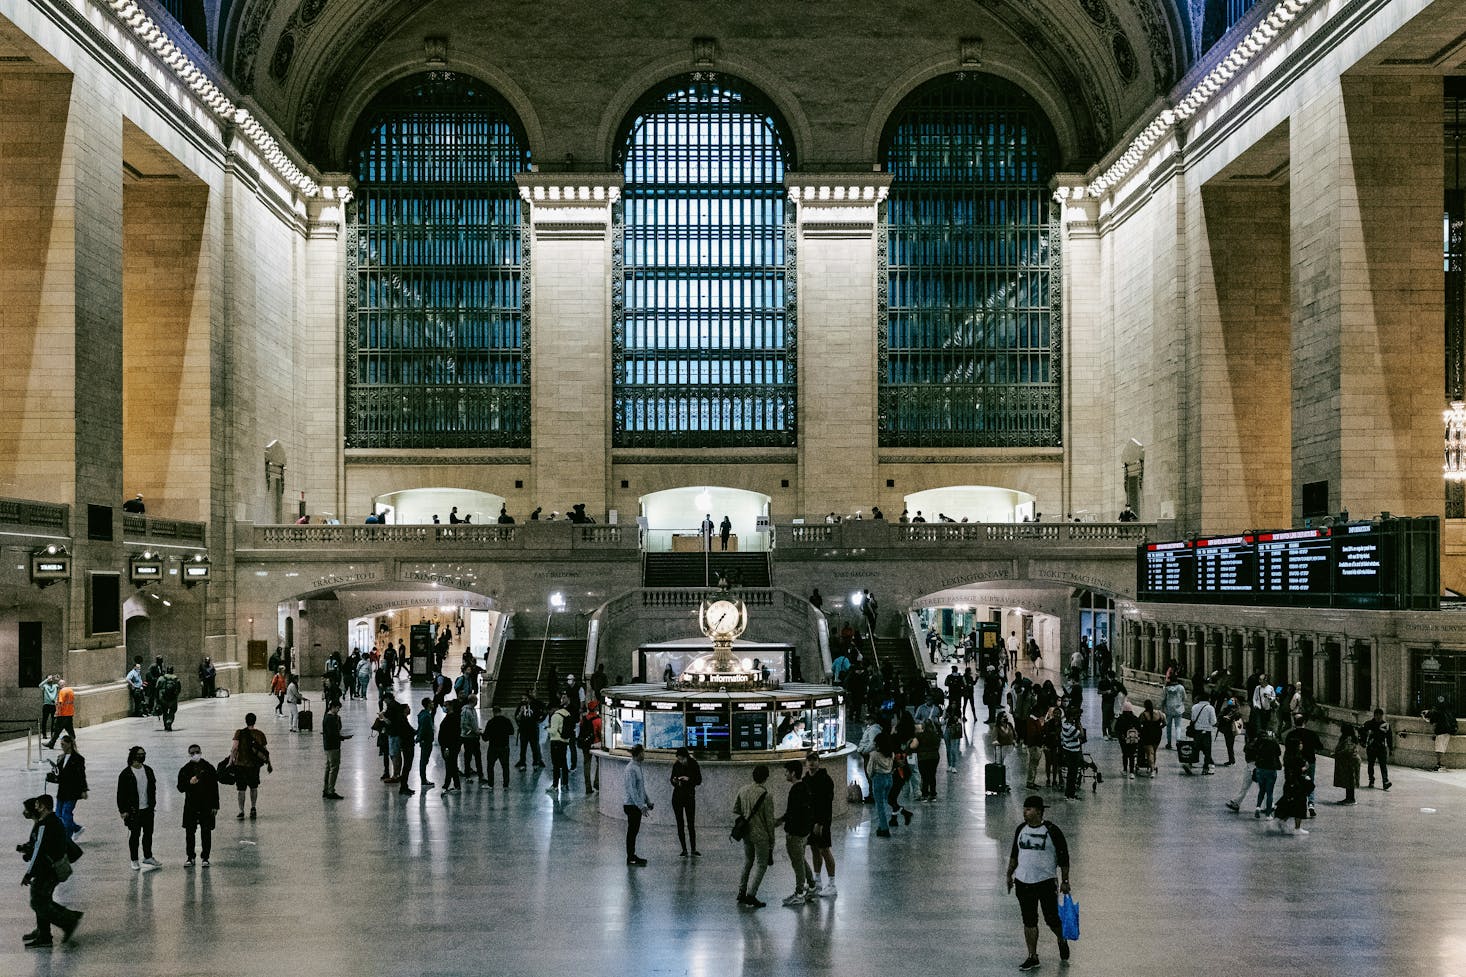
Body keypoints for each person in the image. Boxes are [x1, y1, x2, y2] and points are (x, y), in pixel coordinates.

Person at [1006, 794, 1072, 972]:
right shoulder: (1021, 829)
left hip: (1045, 882)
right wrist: (1009, 874)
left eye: (1028, 809)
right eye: (1024, 809)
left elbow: (1064, 857)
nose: (1024, 812)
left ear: (1039, 811)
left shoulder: (1052, 831)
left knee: (1051, 918)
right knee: (1029, 920)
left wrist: (1065, 880)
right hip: (1023, 882)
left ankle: (1061, 938)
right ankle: (1032, 956)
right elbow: (1014, 854)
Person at [19, 794, 83, 948]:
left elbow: (38, 851)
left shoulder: (45, 825)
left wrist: (29, 874)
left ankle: (67, 921)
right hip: (51, 867)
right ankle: (44, 931)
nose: (35, 807)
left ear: (43, 807)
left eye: (37, 805)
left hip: (48, 870)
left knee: (39, 901)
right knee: (41, 898)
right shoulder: (52, 821)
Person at [734, 764, 776, 907]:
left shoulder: (743, 790)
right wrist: (772, 839)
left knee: (748, 861)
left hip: (747, 833)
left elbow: (736, 809)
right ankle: (751, 894)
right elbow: (769, 821)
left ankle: (741, 891)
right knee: (761, 864)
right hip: (761, 834)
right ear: (766, 778)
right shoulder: (766, 795)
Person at [775, 759, 814, 906]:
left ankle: (799, 893)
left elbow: (792, 812)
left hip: (795, 833)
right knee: (801, 859)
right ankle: (812, 885)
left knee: (797, 862)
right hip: (804, 831)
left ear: (793, 773)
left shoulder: (795, 790)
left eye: (786, 772)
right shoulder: (804, 787)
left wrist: (780, 821)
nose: (785, 774)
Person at [117, 745, 160, 870]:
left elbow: (153, 788)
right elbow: (121, 794)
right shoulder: (126, 774)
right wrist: (123, 810)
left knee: (148, 834)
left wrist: (153, 804)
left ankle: (148, 856)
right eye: (140, 754)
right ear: (133, 756)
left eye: (144, 753)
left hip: (148, 809)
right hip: (133, 811)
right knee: (135, 835)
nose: (142, 756)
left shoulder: (148, 770)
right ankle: (134, 859)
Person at [177, 744, 219, 866]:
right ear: (189, 754)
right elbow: (180, 787)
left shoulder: (209, 768)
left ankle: (205, 857)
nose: (195, 754)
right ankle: (190, 857)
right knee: (190, 832)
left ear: (201, 752)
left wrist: (215, 805)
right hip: (191, 805)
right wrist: (189, 783)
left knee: (206, 831)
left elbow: (214, 788)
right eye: (192, 753)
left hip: (206, 805)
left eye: (197, 752)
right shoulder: (185, 769)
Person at [802, 751, 837, 897]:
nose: (811, 763)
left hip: (822, 821)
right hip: (810, 821)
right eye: (809, 760)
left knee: (824, 850)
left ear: (819, 762)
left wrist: (821, 823)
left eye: (814, 760)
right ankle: (817, 880)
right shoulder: (806, 780)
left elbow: (826, 804)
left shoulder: (825, 780)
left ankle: (832, 884)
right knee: (815, 849)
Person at [230, 713, 272, 819]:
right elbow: (265, 751)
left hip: (241, 765)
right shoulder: (260, 734)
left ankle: (241, 811)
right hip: (254, 766)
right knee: (254, 787)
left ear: (246, 721)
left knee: (241, 789)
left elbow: (234, 748)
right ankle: (253, 808)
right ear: (255, 721)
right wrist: (269, 764)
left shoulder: (239, 732)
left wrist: (231, 762)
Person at [53, 736, 87, 839]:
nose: (61, 746)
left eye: (63, 744)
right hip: (62, 790)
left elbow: (81, 775)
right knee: (58, 814)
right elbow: (58, 774)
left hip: (72, 790)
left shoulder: (78, 759)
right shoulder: (60, 757)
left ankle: (67, 838)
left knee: (66, 814)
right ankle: (76, 828)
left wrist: (84, 790)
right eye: (61, 744)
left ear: (69, 744)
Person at [622, 744, 652, 866]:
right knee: (632, 832)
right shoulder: (631, 769)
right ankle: (630, 857)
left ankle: (632, 855)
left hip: (636, 804)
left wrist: (647, 801)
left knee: (634, 831)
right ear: (638, 754)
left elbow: (641, 788)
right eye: (643, 753)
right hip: (631, 805)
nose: (644, 755)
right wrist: (641, 806)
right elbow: (632, 790)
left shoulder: (638, 767)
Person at [670, 746, 702, 856]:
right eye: (679, 759)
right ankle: (684, 849)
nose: (680, 761)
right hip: (677, 797)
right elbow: (671, 778)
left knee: (691, 823)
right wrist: (675, 781)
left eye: (681, 759)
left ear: (686, 757)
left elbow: (699, 780)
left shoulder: (693, 764)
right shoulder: (676, 765)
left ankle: (693, 848)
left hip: (689, 796)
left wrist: (688, 779)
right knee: (680, 823)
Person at [1251, 728, 1283, 819]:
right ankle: (1268, 815)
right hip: (1271, 769)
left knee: (1261, 790)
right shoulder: (1274, 742)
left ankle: (1258, 807)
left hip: (1260, 769)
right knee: (1269, 793)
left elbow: (1254, 751)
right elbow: (1279, 753)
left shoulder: (1259, 742)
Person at [322, 701, 350, 800]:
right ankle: (330, 791)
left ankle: (326, 789)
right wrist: (342, 737)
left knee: (328, 767)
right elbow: (333, 733)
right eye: (337, 708)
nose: (338, 710)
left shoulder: (328, 717)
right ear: (333, 707)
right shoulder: (330, 719)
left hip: (328, 746)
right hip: (333, 746)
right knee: (334, 768)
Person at [483, 705, 514, 788]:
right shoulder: (506, 721)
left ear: (493, 712)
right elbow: (512, 732)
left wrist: (481, 734)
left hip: (493, 747)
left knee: (490, 766)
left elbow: (485, 738)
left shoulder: (491, 722)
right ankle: (506, 785)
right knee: (505, 766)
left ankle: (490, 784)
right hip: (504, 747)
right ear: (501, 711)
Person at [1362, 708, 1394, 789]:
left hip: (1381, 748)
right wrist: (1363, 742)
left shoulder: (1386, 725)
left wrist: (1391, 749)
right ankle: (1371, 780)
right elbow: (1362, 732)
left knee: (1383, 765)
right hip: (1371, 747)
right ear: (1374, 715)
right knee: (1371, 764)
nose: (1379, 718)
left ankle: (1385, 781)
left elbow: (1389, 738)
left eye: (1380, 716)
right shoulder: (1368, 724)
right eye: (1377, 716)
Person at [1424, 698, 1456, 771]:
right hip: (1448, 731)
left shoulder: (1437, 711)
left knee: (1439, 748)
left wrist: (1425, 715)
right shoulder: (1448, 711)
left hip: (1441, 731)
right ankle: (1441, 764)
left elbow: (1431, 720)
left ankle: (1439, 764)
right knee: (1443, 748)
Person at [547, 697, 572, 791]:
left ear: (553, 708)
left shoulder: (555, 716)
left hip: (556, 742)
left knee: (556, 765)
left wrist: (547, 729)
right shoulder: (567, 713)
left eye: (549, 711)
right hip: (564, 741)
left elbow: (553, 731)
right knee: (564, 764)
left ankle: (554, 786)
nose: (549, 713)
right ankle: (565, 784)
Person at [1188, 694, 1217, 774]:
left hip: (1197, 731)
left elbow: (1193, 719)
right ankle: (1205, 768)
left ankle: (1190, 763)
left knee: (1196, 748)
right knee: (1207, 750)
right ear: (1208, 699)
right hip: (1207, 732)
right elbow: (1213, 721)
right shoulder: (1210, 708)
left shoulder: (1194, 707)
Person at [515, 693, 544, 769]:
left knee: (534, 747)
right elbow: (517, 717)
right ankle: (522, 763)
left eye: (525, 699)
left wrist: (539, 721)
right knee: (523, 748)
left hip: (533, 730)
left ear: (529, 699)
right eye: (522, 699)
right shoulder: (520, 707)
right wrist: (521, 712)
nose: (523, 700)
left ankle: (535, 763)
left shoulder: (535, 706)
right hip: (524, 730)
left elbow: (540, 714)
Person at [1333, 724, 1360, 805]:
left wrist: (1337, 754)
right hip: (1349, 761)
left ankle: (1351, 799)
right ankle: (1348, 798)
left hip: (1351, 762)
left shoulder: (1348, 739)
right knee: (1348, 780)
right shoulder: (1349, 738)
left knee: (1350, 780)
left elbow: (1348, 750)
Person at [1137, 700, 1165, 777]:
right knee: (1154, 752)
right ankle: (1151, 767)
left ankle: (1152, 770)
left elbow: (1138, 724)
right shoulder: (1159, 713)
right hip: (1157, 734)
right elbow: (1165, 723)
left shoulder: (1143, 714)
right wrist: (1159, 727)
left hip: (1147, 735)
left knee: (1150, 753)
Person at [45, 680, 75, 749]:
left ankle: (51, 743)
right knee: (70, 730)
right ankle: (73, 742)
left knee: (57, 730)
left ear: (60, 686)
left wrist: (57, 712)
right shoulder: (71, 690)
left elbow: (60, 703)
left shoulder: (62, 691)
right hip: (69, 714)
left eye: (58, 685)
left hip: (62, 715)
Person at [415, 697, 436, 793]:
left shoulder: (423, 714)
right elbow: (423, 728)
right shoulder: (427, 716)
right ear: (428, 704)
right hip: (426, 741)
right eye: (431, 702)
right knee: (424, 760)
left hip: (425, 740)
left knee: (424, 760)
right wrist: (420, 738)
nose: (433, 704)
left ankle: (423, 778)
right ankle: (423, 779)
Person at [1114, 702, 1140, 778]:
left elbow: (1116, 729)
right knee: (1132, 755)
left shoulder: (1121, 718)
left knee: (1125, 754)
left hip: (1123, 739)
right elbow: (1139, 729)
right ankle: (1132, 772)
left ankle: (1125, 770)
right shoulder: (1135, 718)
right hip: (1133, 739)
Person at [1162, 674, 1187, 749]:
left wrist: (1162, 707)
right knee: (1178, 726)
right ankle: (1178, 742)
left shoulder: (1166, 688)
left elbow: (1163, 699)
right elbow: (1184, 697)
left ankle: (1169, 743)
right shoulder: (1181, 687)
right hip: (1178, 709)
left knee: (1168, 726)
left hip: (1168, 709)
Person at [38, 674, 60, 742]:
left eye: (51, 677)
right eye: (49, 678)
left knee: (54, 720)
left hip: (53, 705)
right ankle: (44, 734)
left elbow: (61, 685)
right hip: (46, 705)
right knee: (45, 720)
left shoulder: (55, 686)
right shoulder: (45, 686)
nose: (50, 678)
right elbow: (40, 685)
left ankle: (52, 734)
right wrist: (47, 679)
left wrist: (58, 679)